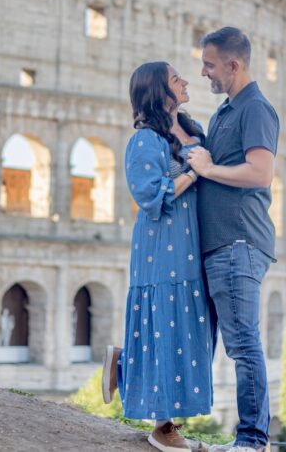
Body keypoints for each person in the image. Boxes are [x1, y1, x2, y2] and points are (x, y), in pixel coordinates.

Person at [103, 61, 214, 452]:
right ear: (158, 91)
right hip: (161, 243)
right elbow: (150, 195)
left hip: (192, 241)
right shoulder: (144, 140)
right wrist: (195, 171)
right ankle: (163, 426)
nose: (185, 81)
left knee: (189, 327)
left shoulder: (194, 128)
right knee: (167, 322)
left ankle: (125, 362)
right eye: (175, 78)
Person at [186, 27, 279, 452]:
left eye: (209, 64)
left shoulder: (255, 109)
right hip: (219, 247)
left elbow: (260, 173)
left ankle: (252, 442)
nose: (203, 72)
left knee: (243, 345)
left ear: (233, 64)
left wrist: (206, 170)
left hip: (238, 244)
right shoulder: (225, 112)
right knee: (205, 339)